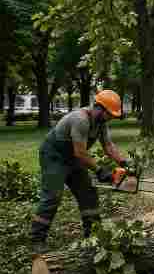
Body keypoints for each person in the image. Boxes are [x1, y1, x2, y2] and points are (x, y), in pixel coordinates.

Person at [30, 90, 130, 253]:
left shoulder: (101, 124)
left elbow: (108, 146)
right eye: (109, 114)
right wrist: (99, 170)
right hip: (55, 156)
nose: (110, 118)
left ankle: (94, 234)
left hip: (74, 158)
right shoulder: (80, 119)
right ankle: (37, 239)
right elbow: (80, 153)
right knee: (53, 196)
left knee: (88, 192)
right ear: (99, 108)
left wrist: (124, 162)